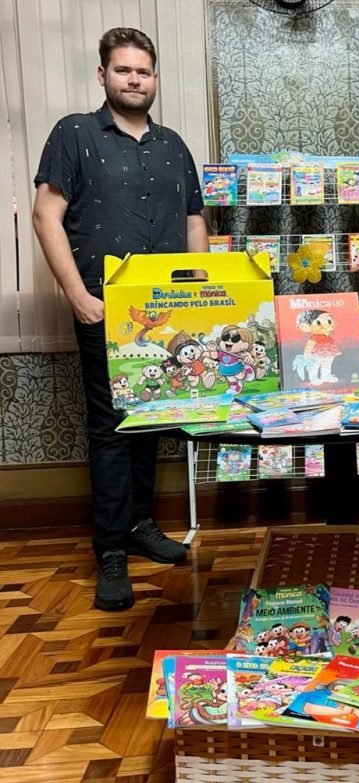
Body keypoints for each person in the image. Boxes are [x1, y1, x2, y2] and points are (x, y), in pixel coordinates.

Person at [32, 27, 208, 611]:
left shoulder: (173, 145)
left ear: (155, 79)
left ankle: (138, 525)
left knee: (153, 420)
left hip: (169, 315)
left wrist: (205, 304)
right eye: (124, 70)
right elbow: (45, 215)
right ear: (103, 75)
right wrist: (77, 294)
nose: (135, 79)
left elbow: (193, 225)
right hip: (107, 309)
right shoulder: (74, 134)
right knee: (111, 427)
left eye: (144, 72)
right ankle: (109, 546)